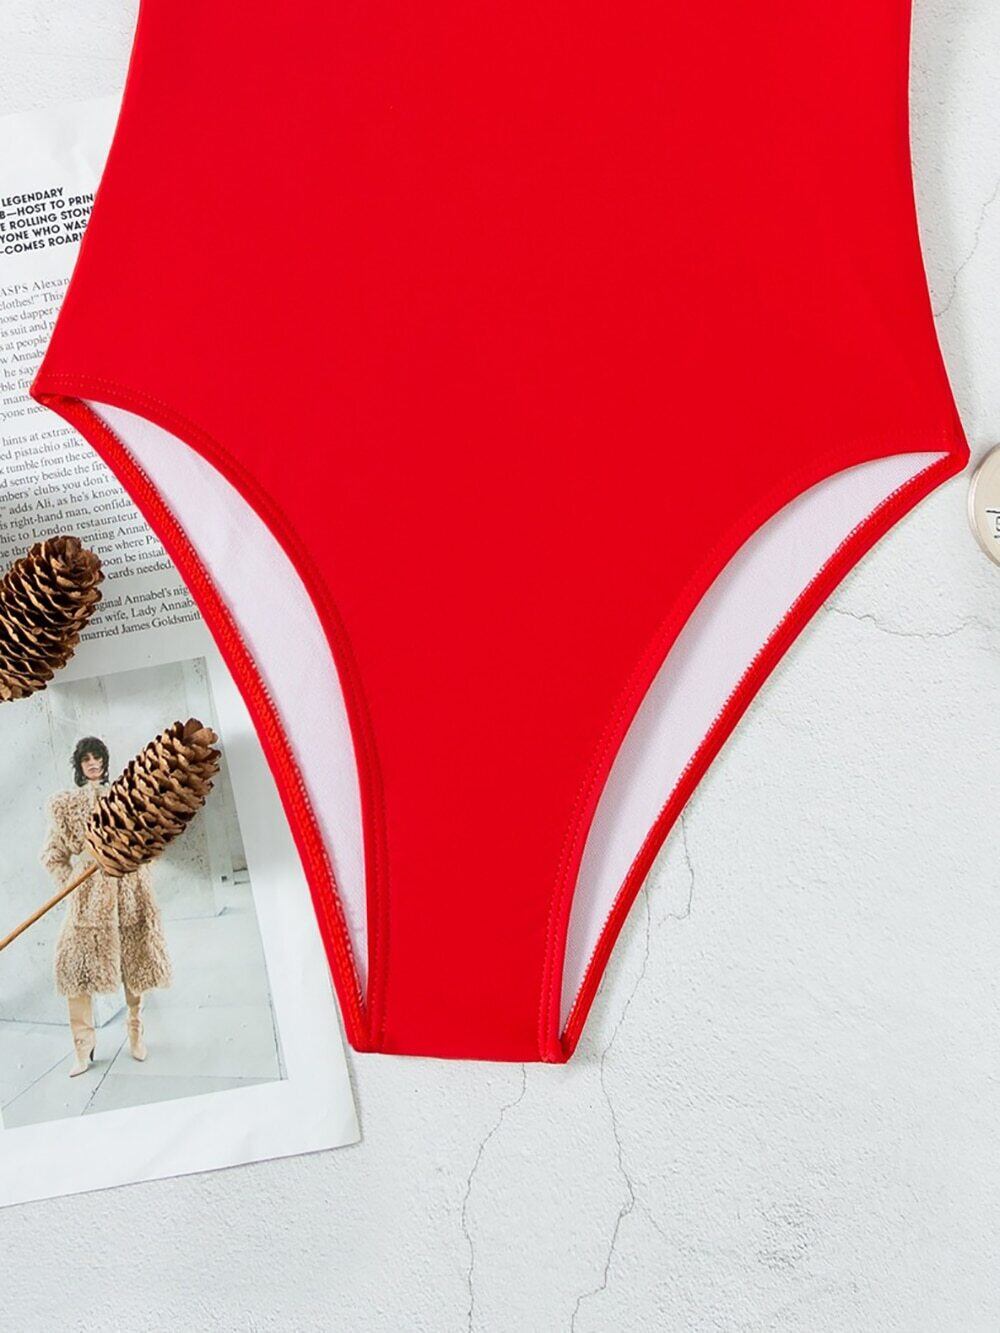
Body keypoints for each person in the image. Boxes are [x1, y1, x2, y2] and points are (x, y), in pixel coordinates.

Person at [40, 736, 172, 1077]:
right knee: (75, 971)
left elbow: (152, 843)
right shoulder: (67, 806)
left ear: (105, 761)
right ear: (79, 765)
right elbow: (52, 855)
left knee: (135, 968)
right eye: (86, 759)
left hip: (130, 894)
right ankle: (82, 1048)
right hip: (89, 903)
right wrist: (74, 886)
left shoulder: (126, 798)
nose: (93, 763)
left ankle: (136, 1034)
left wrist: (135, 867)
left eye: (97, 757)